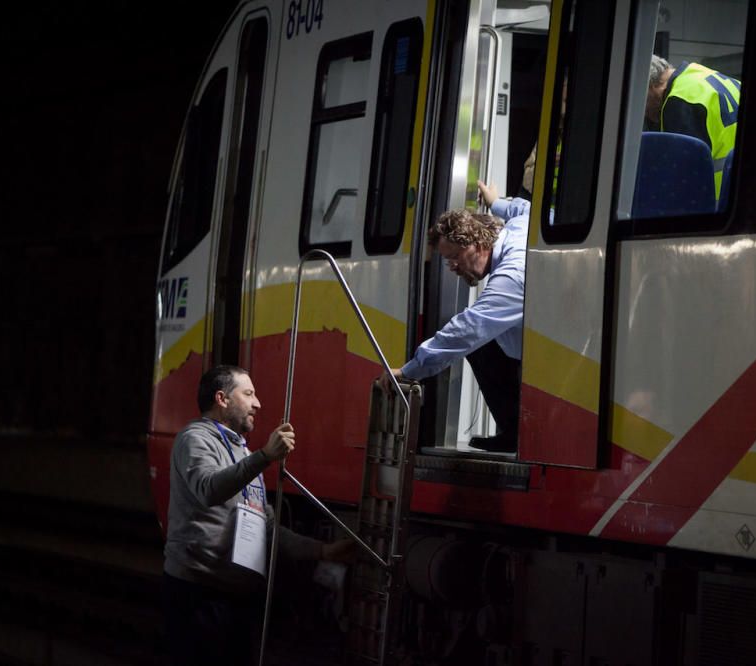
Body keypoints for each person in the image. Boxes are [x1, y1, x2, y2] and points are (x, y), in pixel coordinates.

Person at [163, 364, 352, 666]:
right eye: (249, 394)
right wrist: (264, 457)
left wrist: (322, 551)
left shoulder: (243, 452)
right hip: (199, 594)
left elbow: (265, 527)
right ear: (222, 398)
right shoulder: (195, 438)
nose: (258, 404)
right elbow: (208, 489)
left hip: (236, 596)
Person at [380, 184, 528, 453]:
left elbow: (468, 328)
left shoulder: (512, 275)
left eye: (456, 257)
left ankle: (517, 434)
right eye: (448, 261)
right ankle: (514, 430)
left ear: (479, 243)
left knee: (478, 342)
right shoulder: (519, 226)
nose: (453, 267)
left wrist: (409, 371)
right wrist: (496, 203)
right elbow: (523, 208)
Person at [646, 55, 741, 199]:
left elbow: (681, 180)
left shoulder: (679, 101)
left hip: (718, 201)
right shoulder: (699, 75)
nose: (645, 113)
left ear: (649, 87)